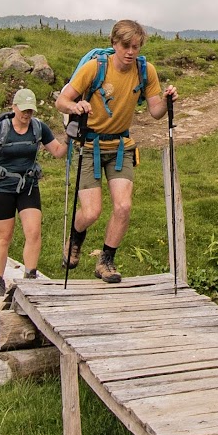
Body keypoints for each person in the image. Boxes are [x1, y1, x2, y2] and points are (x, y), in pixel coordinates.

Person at [54, 18, 176, 284]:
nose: (131, 52)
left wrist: (166, 102)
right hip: (91, 146)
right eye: (126, 46)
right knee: (91, 212)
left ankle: (106, 261)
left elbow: (155, 112)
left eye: (136, 46)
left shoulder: (145, 70)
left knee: (123, 207)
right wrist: (75, 107)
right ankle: (75, 239)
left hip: (121, 146)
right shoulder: (95, 68)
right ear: (114, 44)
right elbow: (62, 100)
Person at [0, 88, 66, 309]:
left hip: (28, 186)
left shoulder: (39, 128)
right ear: (14, 108)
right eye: (23, 110)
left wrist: (71, 136)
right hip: (2, 188)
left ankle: (30, 277)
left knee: (34, 231)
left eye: (30, 110)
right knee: (4, 237)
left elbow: (58, 151)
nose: (27, 114)